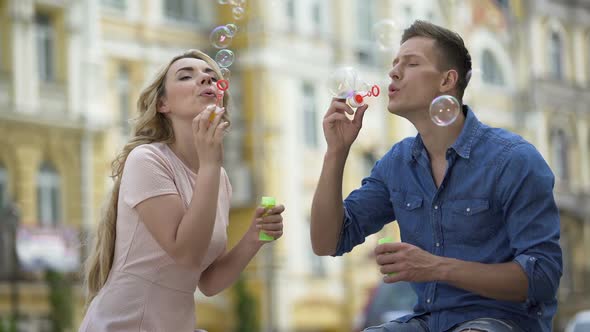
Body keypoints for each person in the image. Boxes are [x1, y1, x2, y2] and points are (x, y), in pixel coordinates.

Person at [310, 20, 562, 332]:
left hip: (503, 322)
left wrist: (435, 267)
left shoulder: (513, 160)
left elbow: (543, 277)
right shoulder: (397, 164)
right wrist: (336, 152)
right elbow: (327, 242)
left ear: (447, 81)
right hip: (431, 322)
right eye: (394, 64)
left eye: (412, 63)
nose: (394, 72)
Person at [79, 49, 285, 331]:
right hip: (126, 323)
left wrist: (254, 236)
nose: (205, 80)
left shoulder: (219, 177)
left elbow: (208, 280)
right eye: (187, 76)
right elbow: (186, 253)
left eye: (212, 77)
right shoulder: (148, 159)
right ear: (163, 103)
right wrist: (210, 163)